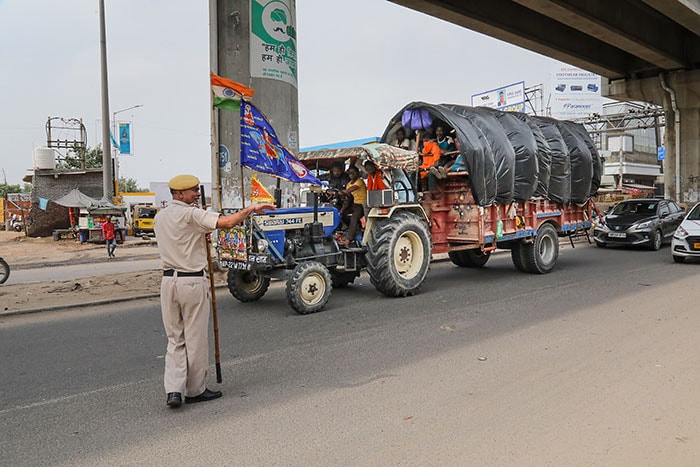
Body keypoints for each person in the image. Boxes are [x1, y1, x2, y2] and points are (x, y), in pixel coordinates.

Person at [154, 174, 275, 408]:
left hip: (168, 282)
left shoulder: (161, 216)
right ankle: (194, 389)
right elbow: (228, 223)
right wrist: (251, 208)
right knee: (195, 338)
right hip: (191, 281)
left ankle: (174, 390)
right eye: (192, 191)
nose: (197, 194)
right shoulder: (191, 214)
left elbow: (183, 237)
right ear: (179, 194)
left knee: (175, 338)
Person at [339, 166, 367, 247]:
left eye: (353, 173)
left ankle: (349, 239)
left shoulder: (359, 182)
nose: (351, 175)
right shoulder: (348, 184)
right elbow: (348, 198)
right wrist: (342, 210)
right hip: (354, 204)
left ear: (357, 174)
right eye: (350, 173)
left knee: (354, 217)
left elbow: (351, 189)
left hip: (362, 204)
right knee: (339, 213)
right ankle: (343, 230)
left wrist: (343, 192)